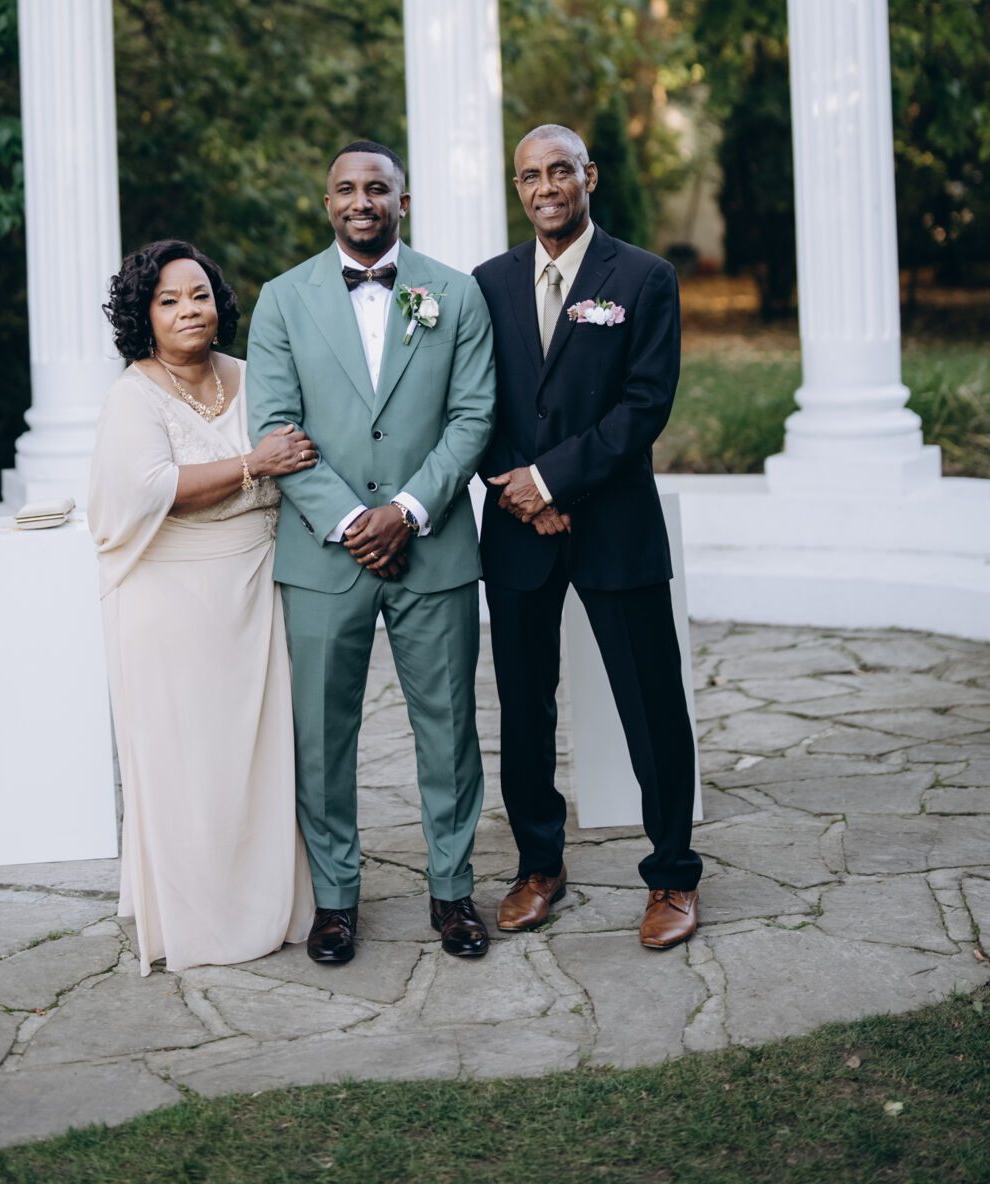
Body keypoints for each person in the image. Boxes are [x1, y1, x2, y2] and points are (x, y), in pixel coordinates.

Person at [246, 143, 497, 965]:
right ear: (328, 204)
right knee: (322, 736)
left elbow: (473, 416)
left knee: (449, 729)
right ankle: (335, 900)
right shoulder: (283, 300)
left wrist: (407, 511)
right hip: (325, 555)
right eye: (347, 189)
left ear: (403, 201)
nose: (362, 201)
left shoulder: (455, 293)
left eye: (378, 188)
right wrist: (357, 521)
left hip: (434, 546)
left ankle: (452, 890)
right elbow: (274, 426)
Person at [474, 125, 702, 950]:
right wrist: (520, 490)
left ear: (589, 177)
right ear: (519, 188)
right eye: (531, 175)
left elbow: (644, 405)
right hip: (518, 530)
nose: (547, 187)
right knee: (524, 709)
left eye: (561, 170)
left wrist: (552, 481)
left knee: (652, 701)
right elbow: (476, 401)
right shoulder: (487, 283)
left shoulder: (644, 277)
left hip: (615, 523)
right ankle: (540, 866)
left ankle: (673, 874)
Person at [88, 238, 316, 975]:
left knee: (256, 757)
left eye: (200, 295)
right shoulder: (133, 397)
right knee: (188, 764)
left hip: (255, 591)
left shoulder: (253, 376)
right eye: (169, 300)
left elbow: (303, 451)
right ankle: (200, 920)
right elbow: (151, 488)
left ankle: (268, 903)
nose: (189, 309)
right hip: (171, 601)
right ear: (144, 316)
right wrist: (254, 462)